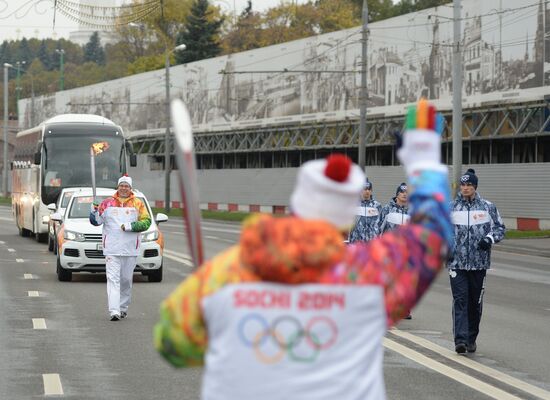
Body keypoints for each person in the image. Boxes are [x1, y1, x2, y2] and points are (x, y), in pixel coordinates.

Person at [154, 100, 453, 400]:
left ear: (296, 205)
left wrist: (216, 340)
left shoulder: (226, 274)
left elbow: (172, 343)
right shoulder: (366, 275)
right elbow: (434, 236)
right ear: (347, 222)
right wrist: (423, 159)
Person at [448, 168, 505, 354]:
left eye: (469, 185)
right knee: (460, 300)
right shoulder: (451, 207)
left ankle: (471, 338)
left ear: (475, 186)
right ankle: (461, 341)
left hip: (479, 263)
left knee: (475, 303)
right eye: (463, 185)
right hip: (456, 263)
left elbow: (499, 229)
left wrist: (489, 239)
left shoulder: (487, 207)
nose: (465, 188)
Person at [90, 174, 151, 321]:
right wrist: (93, 211)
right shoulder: (107, 203)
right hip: (111, 248)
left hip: (130, 249)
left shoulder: (138, 204)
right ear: (118, 187)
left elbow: (147, 222)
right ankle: (114, 311)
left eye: (126, 186)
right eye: (121, 185)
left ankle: (123, 307)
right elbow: (96, 222)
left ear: (130, 188)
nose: (124, 188)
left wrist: (131, 226)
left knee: (125, 280)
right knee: (113, 279)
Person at [348, 179, 382, 243]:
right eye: (365, 189)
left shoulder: (377, 206)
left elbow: (380, 225)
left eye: (369, 189)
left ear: (371, 191)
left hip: (372, 244)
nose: (367, 191)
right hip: (357, 243)